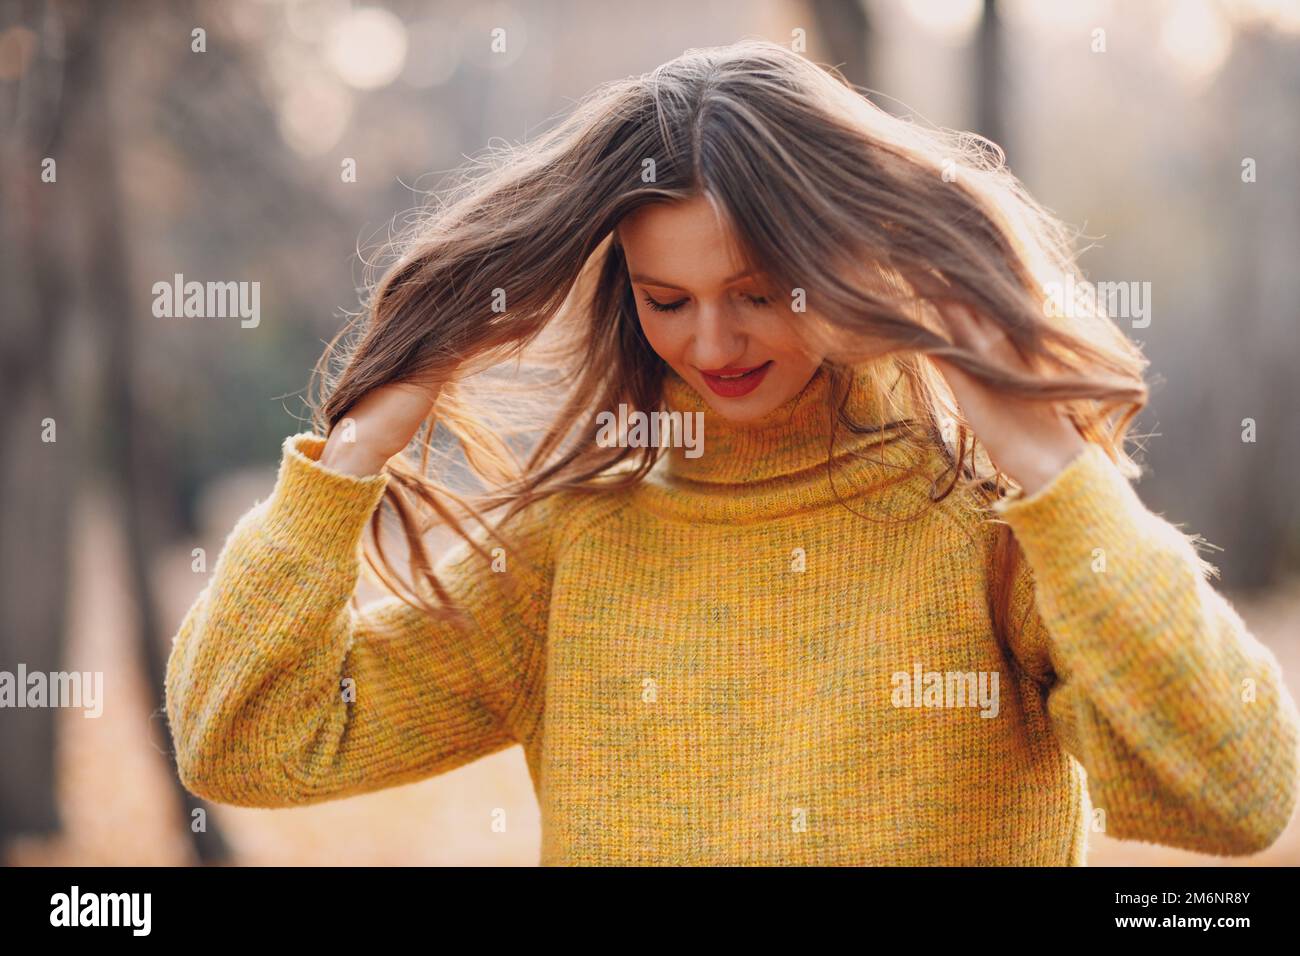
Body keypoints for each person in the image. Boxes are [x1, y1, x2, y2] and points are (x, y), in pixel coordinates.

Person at [164, 39, 1298, 865]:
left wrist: (1038, 453)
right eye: (667, 298)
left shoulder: (994, 526)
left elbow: (1235, 787)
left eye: (759, 292)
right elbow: (246, 740)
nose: (711, 341)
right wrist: (364, 439)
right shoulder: (576, 541)